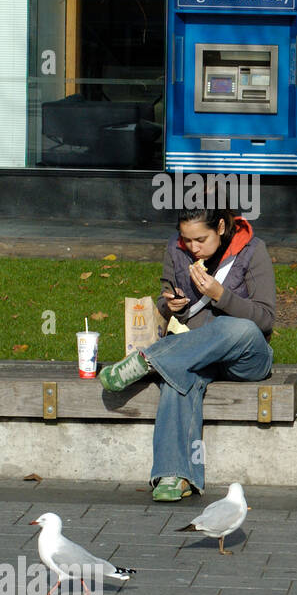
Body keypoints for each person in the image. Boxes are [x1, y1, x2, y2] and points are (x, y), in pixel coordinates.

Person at [98, 206, 275, 502]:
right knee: (178, 374)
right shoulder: (175, 249)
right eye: (187, 240)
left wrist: (222, 296)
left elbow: (266, 319)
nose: (193, 248)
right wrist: (171, 305)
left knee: (238, 328)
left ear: (220, 227)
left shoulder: (252, 251)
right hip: (192, 351)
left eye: (200, 239)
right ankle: (175, 475)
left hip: (245, 357)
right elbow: (164, 298)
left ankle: (150, 359)